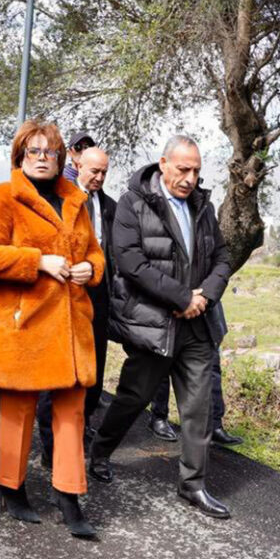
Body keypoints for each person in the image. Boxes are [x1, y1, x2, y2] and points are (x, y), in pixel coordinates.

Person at [0, 120, 105, 539]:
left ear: (61, 158)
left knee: (71, 413)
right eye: (34, 151)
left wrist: (90, 269)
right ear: (20, 156)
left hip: (71, 326)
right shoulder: (5, 196)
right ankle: (11, 488)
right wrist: (37, 261)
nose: (42, 158)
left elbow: (96, 254)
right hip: (24, 324)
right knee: (17, 411)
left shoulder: (76, 200)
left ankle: (69, 496)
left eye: (50, 151)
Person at [89, 134, 233, 518]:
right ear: (164, 163)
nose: (190, 179)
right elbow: (131, 263)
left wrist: (204, 297)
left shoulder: (204, 206)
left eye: (196, 171)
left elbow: (222, 257)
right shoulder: (132, 203)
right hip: (154, 327)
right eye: (183, 169)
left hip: (197, 327)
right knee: (132, 399)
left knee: (198, 409)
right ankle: (100, 452)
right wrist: (182, 298)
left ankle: (193, 485)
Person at [37, 146, 116, 466]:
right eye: (94, 171)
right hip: (59, 294)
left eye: (104, 172)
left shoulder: (108, 206)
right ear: (77, 165)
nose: (99, 177)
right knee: (57, 375)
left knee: (92, 370)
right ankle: (50, 447)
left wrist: (94, 268)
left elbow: (105, 253)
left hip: (97, 296)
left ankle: (79, 429)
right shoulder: (60, 198)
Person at [148, 302, 243, 446]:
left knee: (212, 369)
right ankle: (158, 417)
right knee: (161, 366)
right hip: (166, 311)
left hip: (204, 311)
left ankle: (214, 425)